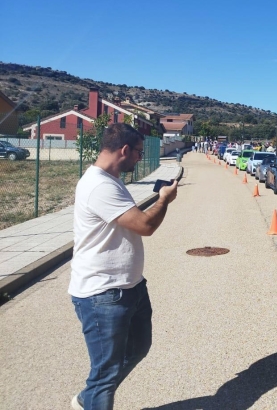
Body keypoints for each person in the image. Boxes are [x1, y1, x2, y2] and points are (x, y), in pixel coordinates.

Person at [69, 123, 178, 410]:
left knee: (138, 348)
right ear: (124, 150)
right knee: (105, 375)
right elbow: (144, 225)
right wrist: (164, 200)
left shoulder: (111, 178)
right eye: (139, 153)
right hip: (102, 294)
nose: (141, 158)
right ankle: (93, 398)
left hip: (130, 286)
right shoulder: (99, 185)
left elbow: (127, 220)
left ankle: (88, 397)